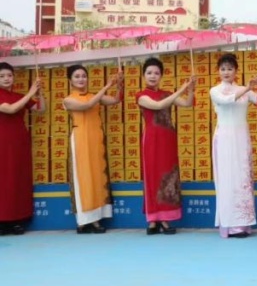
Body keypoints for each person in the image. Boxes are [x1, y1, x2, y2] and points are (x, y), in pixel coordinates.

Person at [209, 54, 257, 239]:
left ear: (236, 71)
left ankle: (243, 224)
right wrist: (248, 87)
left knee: (242, 178)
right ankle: (229, 225)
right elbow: (227, 100)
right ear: (218, 71)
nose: (226, 72)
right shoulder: (214, 90)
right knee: (227, 179)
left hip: (242, 138)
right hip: (224, 138)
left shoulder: (243, 89)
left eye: (230, 68)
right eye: (223, 69)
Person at [136, 57, 195, 235]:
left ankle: (165, 219)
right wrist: (182, 89)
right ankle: (153, 220)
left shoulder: (167, 93)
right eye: (149, 73)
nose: (153, 76)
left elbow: (187, 104)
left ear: (161, 76)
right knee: (152, 177)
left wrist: (191, 89)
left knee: (169, 176)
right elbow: (158, 105)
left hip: (168, 139)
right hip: (151, 139)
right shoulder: (141, 96)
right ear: (144, 75)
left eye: (156, 73)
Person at [63, 64, 123, 234]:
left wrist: (119, 85)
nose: (81, 79)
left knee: (96, 176)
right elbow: (87, 105)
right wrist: (107, 85)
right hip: (80, 140)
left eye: (84, 76)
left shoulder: (94, 96)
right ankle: (83, 221)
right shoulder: (68, 99)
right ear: (70, 80)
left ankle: (96, 219)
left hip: (96, 139)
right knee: (83, 178)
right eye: (77, 76)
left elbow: (115, 100)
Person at [0, 64, 44, 235]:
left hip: (19, 142)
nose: (6, 78)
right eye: (2, 76)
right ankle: (2, 220)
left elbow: (40, 109)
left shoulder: (19, 96)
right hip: (2, 142)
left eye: (9, 75)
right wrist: (31, 92)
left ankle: (17, 219)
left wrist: (40, 93)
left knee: (19, 178)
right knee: (4, 180)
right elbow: (10, 109)